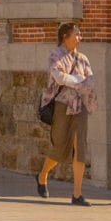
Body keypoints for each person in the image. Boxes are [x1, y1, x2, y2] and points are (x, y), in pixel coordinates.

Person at [37, 19, 96, 204]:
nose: (80, 37)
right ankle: (42, 175)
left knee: (80, 149)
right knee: (60, 147)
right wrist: (78, 80)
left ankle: (77, 194)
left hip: (80, 107)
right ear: (65, 36)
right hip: (62, 105)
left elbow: (91, 82)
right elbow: (58, 76)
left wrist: (76, 81)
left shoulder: (83, 59)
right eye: (76, 34)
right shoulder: (56, 54)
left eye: (80, 34)